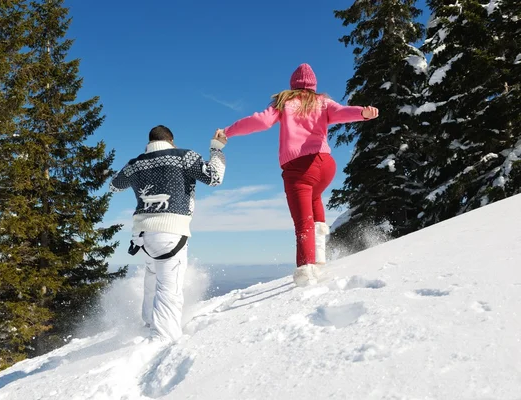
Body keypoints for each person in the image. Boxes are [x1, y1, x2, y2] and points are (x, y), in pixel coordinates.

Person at [217, 63, 378, 287]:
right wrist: (362, 112)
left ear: (293, 84)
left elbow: (260, 121)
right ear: (313, 86)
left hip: (299, 169)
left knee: (303, 222)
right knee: (314, 199)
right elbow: (341, 112)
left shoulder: (285, 103)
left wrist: (228, 131)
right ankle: (319, 256)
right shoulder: (323, 102)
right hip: (325, 165)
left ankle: (305, 272)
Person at [110, 125, 227, 342]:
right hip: (170, 231)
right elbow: (214, 178)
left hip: (142, 235)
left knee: (152, 276)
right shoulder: (183, 156)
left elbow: (114, 186)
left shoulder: (135, 164)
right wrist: (216, 148)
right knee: (168, 287)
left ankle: (148, 322)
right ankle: (163, 338)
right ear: (171, 140)